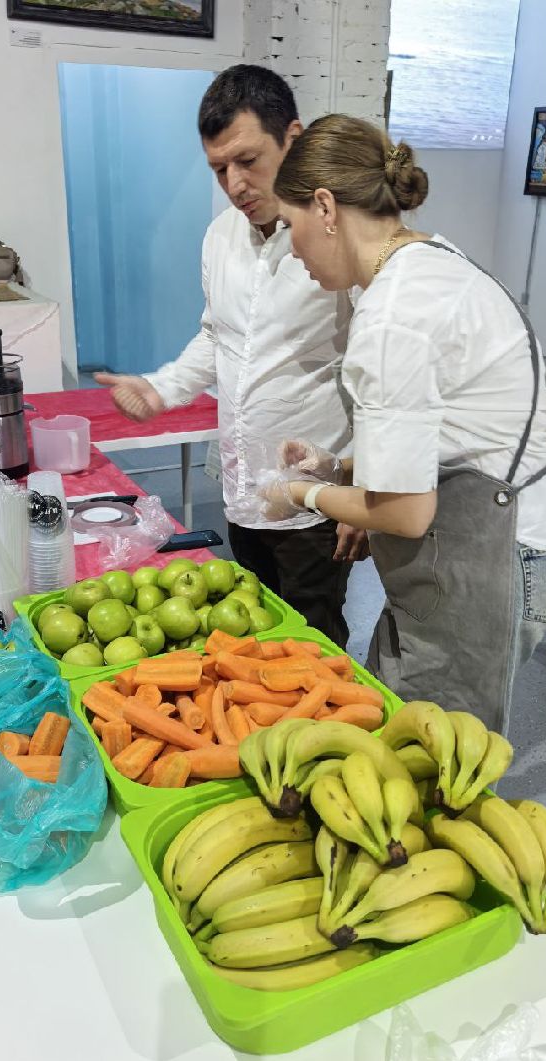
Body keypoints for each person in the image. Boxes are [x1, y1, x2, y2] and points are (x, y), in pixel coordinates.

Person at [260, 114, 546, 735]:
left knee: (427, 756)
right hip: (510, 536)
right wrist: (342, 470)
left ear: (326, 206)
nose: (293, 249)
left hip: (496, 557)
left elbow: (408, 512)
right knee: (397, 725)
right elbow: (447, 428)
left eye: (290, 226)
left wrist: (301, 495)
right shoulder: (430, 263)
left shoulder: (394, 313)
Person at [94, 66, 366, 647]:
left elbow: (382, 373)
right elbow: (218, 336)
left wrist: (364, 489)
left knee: (311, 645)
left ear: (293, 139)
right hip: (244, 490)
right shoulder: (220, 237)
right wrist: (162, 387)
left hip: (313, 500)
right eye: (220, 169)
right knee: (247, 638)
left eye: (248, 160)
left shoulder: (342, 236)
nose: (236, 183)